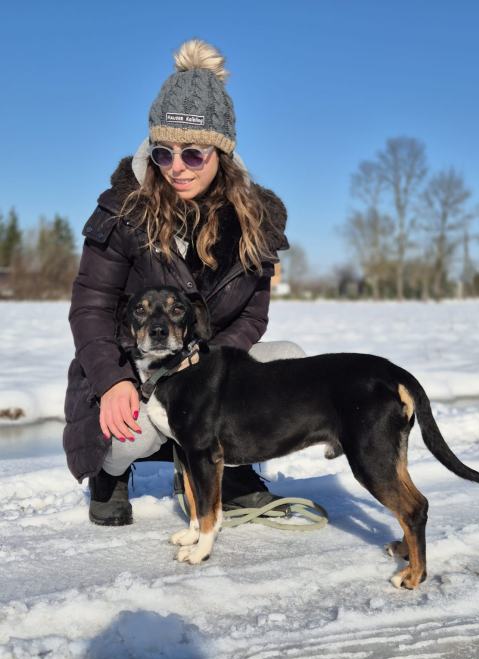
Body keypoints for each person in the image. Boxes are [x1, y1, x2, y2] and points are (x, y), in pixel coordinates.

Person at [63, 38, 304, 526]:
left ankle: (221, 465)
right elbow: (90, 308)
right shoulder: (123, 210)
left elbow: (253, 315)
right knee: (138, 431)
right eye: (163, 152)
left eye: (193, 154)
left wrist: (205, 369)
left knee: (289, 362)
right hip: (133, 366)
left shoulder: (254, 220)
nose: (176, 167)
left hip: (203, 365)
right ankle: (111, 473)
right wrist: (111, 381)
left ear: (221, 153)